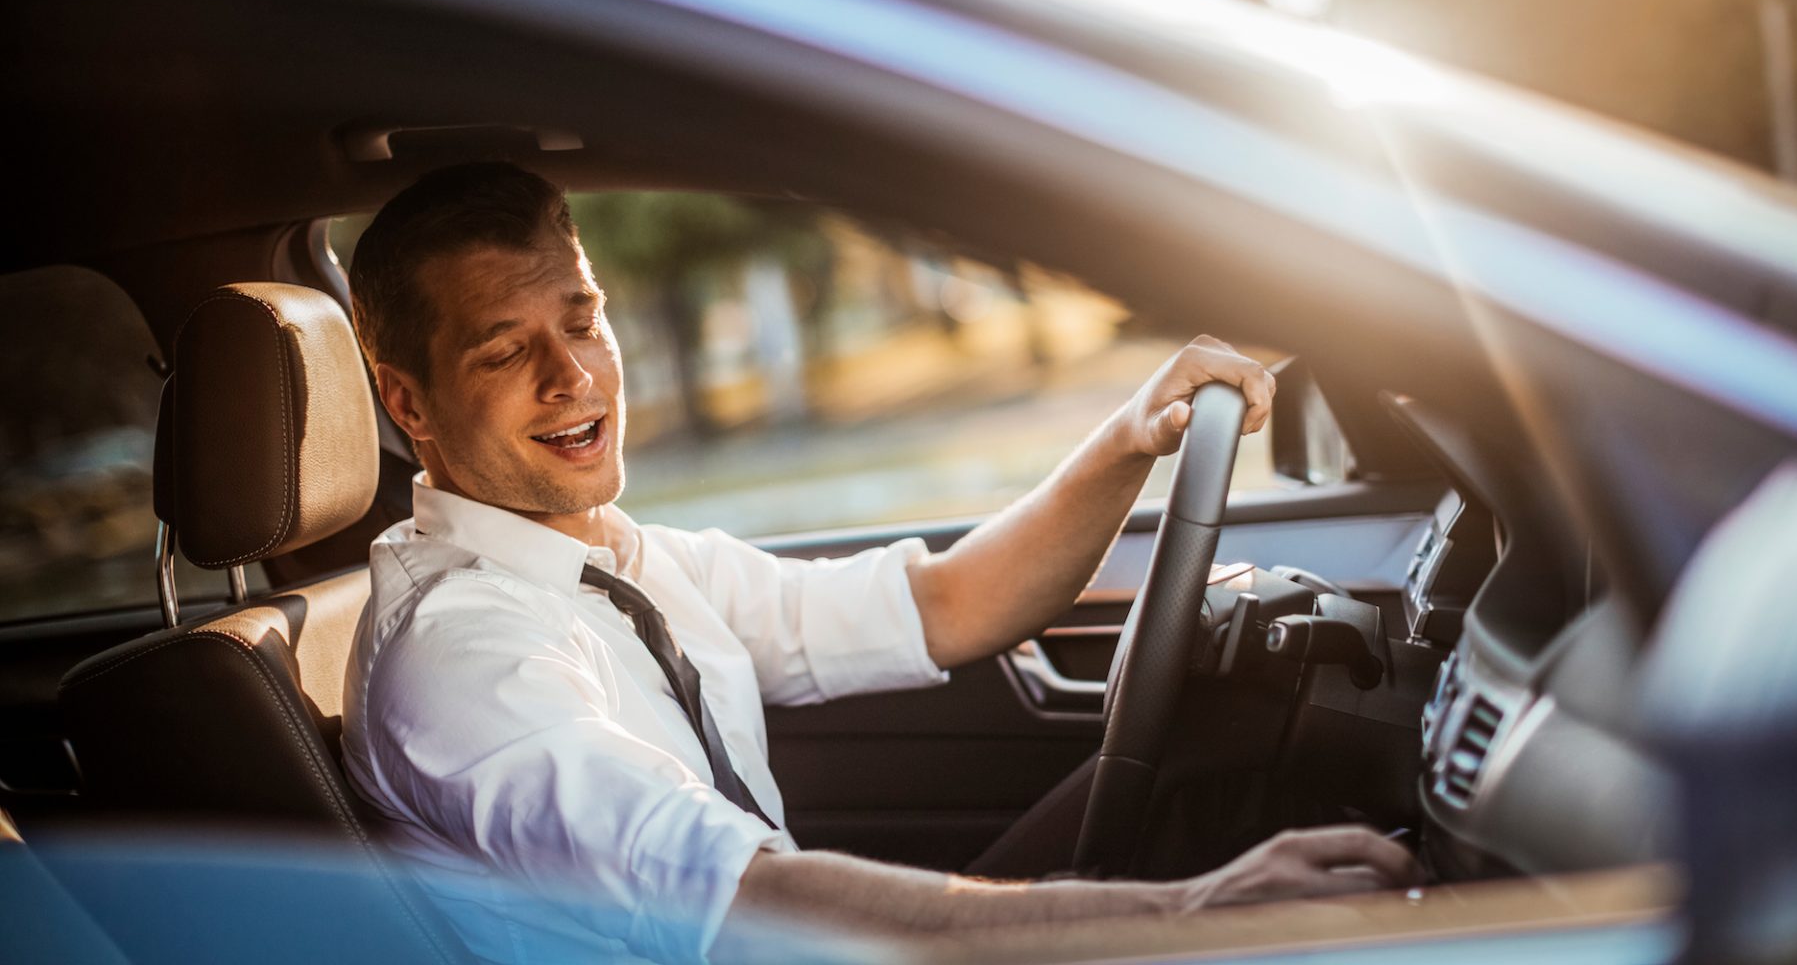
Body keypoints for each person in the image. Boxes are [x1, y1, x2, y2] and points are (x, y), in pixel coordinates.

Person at [341, 163, 1420, 965]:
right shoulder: (460, 650)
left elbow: (945, 603)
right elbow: (736, 902)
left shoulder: (615, 559)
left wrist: (1133, 435)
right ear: (407, 402)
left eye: (584, 322)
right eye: (505, 350)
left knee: (1226, 747)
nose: (572, 376)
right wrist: (1186, 915)